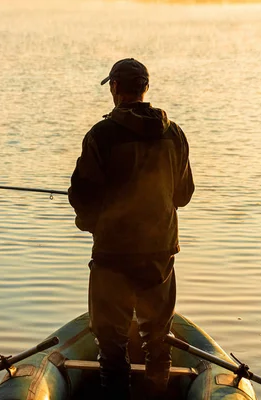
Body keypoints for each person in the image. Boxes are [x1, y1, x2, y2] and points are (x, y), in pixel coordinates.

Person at [68, 58, 195, 399]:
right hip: (160, 252)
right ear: (145, 89)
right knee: (158, 341)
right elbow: (184, 195)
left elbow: (82, 195)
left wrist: (89, 223)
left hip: (114, 254)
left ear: (115, 89)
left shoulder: (101, 135)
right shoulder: (174, 133)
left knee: (111, 344)